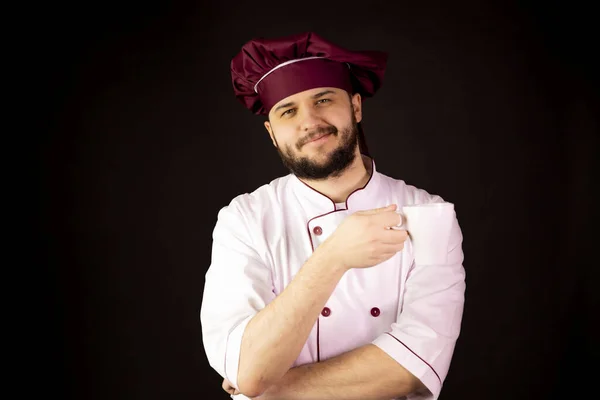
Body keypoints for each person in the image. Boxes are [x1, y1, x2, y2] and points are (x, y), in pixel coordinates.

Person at [200, 32, 466, 400]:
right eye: (288, 110)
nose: (310, 121)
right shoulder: (244, 220)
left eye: (323, 99)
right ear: (272, 134)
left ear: (356, 107)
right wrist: (332, 257)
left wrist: (269, 389)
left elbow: (412, 366)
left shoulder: (427, 216)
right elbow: (250, 367)